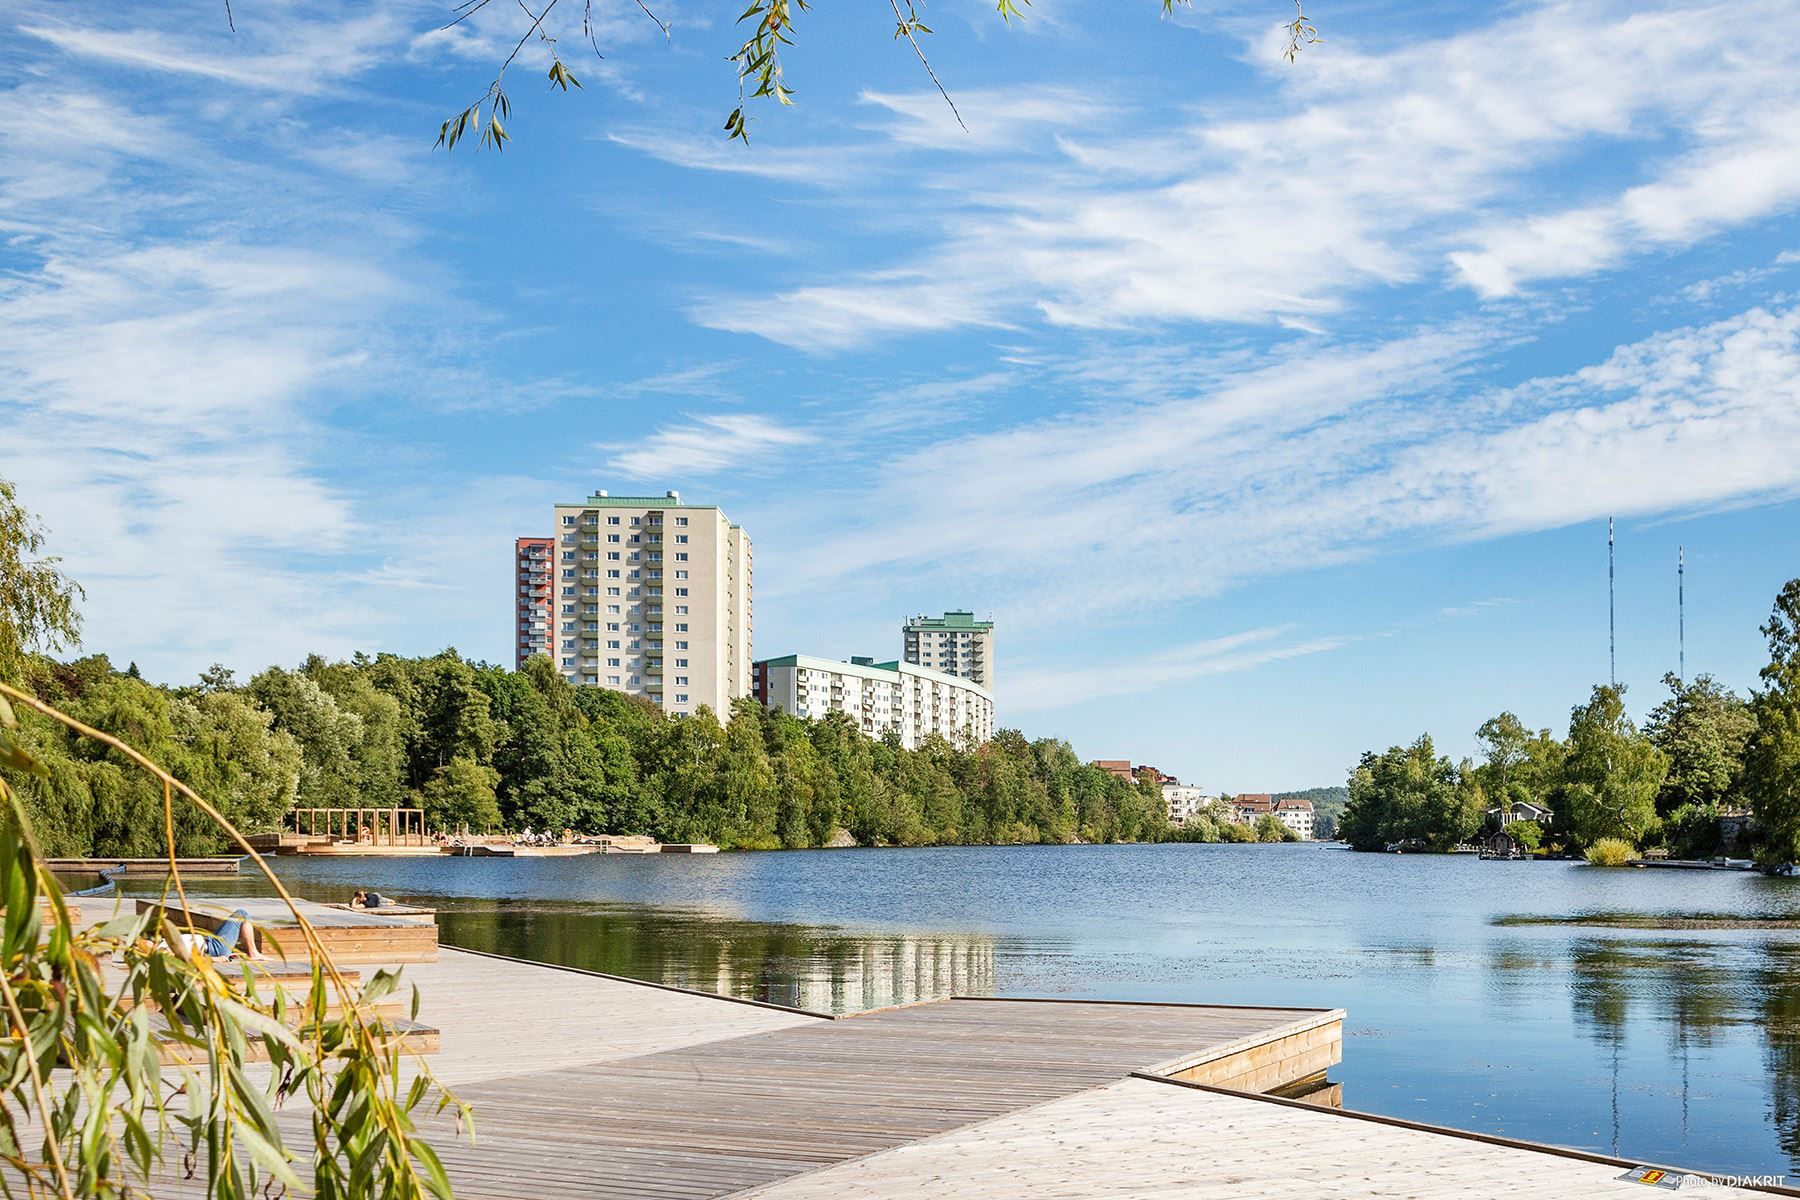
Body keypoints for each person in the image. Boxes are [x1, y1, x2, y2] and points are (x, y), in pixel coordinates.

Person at [189, 908, 266, 960]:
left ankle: (233, 952)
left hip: (209, 943)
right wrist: (214, 959)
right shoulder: (177, 948)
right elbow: (187, 958)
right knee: (242, 914)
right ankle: (253, 953)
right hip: (214, 948)